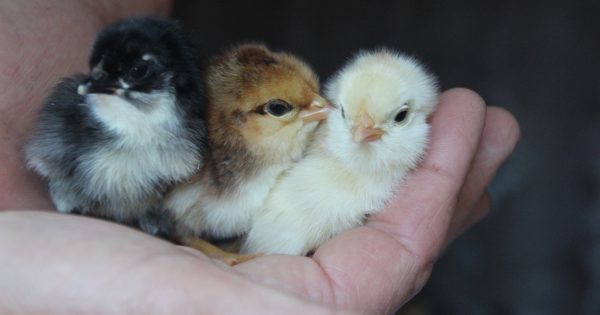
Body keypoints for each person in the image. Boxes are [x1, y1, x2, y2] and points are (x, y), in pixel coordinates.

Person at [0, 1, 520, 314]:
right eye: (282, 108)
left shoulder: (202, 154)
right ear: (241, 120)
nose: (324, 111)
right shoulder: (186, 159)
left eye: (323, 101)